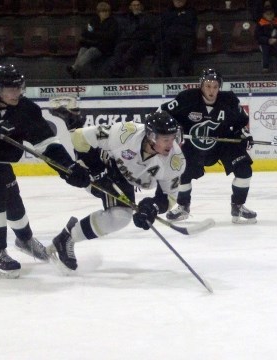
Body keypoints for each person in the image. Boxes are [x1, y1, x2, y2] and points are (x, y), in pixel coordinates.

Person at [0, 64, 92, 278]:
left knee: (11, 192)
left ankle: (25, 239)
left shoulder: (27, 110)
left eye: (19, 88)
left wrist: (68, 168)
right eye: (10, 89)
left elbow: (47, 144)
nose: (16, 93)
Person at [47, 113, 185, 272]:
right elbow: (79, 138)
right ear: (151, 137)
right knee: (120, 216)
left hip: (125, 178)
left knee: (116, 212)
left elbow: (169, 197)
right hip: (104, 162)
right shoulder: (125, 133)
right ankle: (66, 238)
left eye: (173, 138)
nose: (171, 144)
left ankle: (65, 237)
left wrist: (152, 207)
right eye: (166, 139)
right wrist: (97, 169)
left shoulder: (175, 161)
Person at [159, 68, 257, 225]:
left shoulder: (229, 100)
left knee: (244, 169)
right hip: (193, 145)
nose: (211, 91)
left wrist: (245, 134)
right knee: (182, 171)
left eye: (215, 87)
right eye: (208, 86)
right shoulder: (187, 98)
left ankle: (238, 206)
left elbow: (241, 121)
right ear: (201, 85)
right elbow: (162, 113)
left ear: (220, 87)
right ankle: (183, 206)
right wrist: (174, 129)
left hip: (222, 143)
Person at [66, 2, 119, 79]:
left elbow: (108, 36)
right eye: (103, 11)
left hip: (104, 46)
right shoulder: (93, 20)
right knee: (82, 49)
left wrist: (94, 33)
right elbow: (86, 32)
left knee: (91, 51)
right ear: (98, 12)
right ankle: (76, 71)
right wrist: (98, 34)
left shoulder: (113, 22)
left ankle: (74, 67)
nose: (105, 13)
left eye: (107, 11)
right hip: (91, 43)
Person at [107, 0, 158, 78]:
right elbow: (127, 31)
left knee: (133, 48)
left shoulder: (148, 17)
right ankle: (118, 69)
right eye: (134, 5)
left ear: (141, 6)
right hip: (130, 40)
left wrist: (138, 18)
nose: (136, 7)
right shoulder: (128, 18)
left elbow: (147, 31)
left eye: (138, 5)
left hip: (144, 41)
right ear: (130, 7)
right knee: (119, 47)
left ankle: (119, 68)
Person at [156, 0, 197, 77]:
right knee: (162, 44)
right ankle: (164, 71)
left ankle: (183, 70)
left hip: (185, 38)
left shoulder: (191, 11)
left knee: (188, 45)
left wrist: (176, 18)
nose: (178, 1)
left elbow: (190, 24)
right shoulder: (167, 12)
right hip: (171, 39)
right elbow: (164, 25)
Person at [254, 2, 277, 73]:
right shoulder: (260, 23)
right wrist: (267, 40)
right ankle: (265, 67)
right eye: (267, 14)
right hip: (265, 42)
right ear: (263, 15)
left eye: (271, 14)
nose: (269, 16)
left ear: (274, 14)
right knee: (265, 50)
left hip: (276, 41)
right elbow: (258, 36)